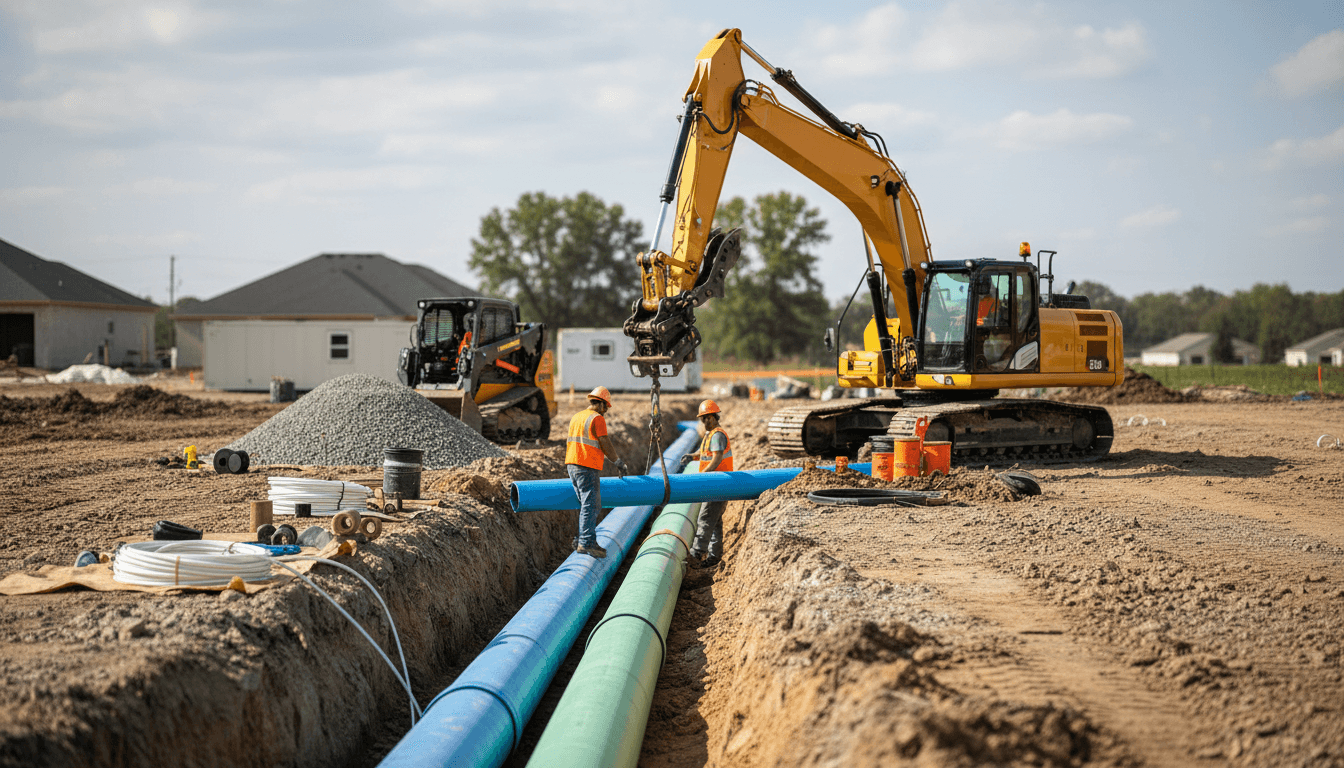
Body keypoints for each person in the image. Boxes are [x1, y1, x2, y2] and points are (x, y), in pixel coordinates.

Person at [565, 386, 627, 558]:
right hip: (586, 465)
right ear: (600, 404)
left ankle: (583, 539)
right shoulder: (597, 418)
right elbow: (604, 441)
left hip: (572, 464)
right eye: (606, 407)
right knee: (591, 504)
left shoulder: (577, 416)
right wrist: (618, 462)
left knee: (586, 504)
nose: (606, 411)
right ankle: (585, 542)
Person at [679, 399, 733, 569]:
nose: (704, 422)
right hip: (714, 483)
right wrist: (692, 456)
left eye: (706, 418)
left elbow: (716, 458)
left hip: (717, 483)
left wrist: (703, 473)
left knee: (705, 519)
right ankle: (714, 556)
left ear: (713, 417)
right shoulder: (710, 435)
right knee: (715, 522)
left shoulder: (717, 434)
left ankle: (696, 554)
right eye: (702, 419)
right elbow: (705, 453)